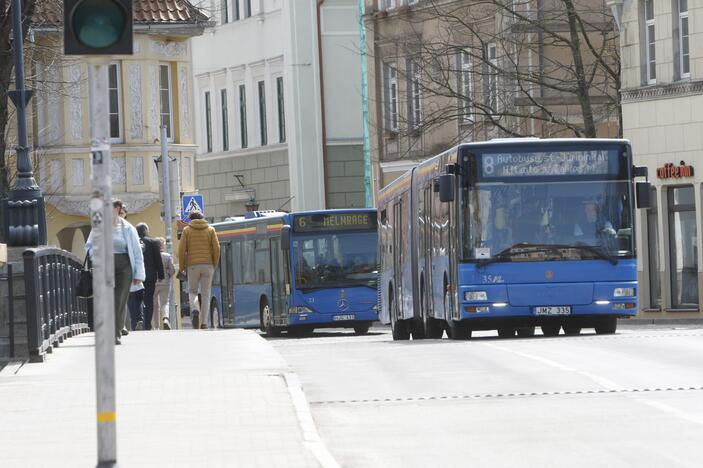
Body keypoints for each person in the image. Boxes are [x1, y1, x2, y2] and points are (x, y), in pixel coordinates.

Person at [86, 199, 145, 345]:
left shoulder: (128, 228)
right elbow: (89, 246)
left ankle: (116, 333)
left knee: (119, 300)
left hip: (124, 267)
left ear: (118, 209)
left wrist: (138, 274)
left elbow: (137, 252)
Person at [177, 211, 220, 329]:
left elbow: (181, 250)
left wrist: (181, 267)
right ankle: (204, 323)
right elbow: (217, 248)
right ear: (202, 218)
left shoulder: (187, 230)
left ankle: (195, 309)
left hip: (192, 266)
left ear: (191, 219)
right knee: (206, 294)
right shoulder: (211, 230)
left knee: (192, 291)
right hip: (208, 266)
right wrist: (214, 264)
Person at [134, 223, 165, 330]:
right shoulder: (153, 242)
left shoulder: (134, 242)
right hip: (150, 276)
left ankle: (138, 320)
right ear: (146, 230)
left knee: (137, 299)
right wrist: (161, 275)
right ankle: (147, 324)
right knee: (149, 300)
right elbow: (158, 260)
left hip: (136, 276)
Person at [153, 237, 176, 330]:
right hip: (165, 282)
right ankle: (165, 319)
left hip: (154, 283)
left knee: (155, 304)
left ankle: (156, 326)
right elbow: (172, 270)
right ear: (163, 246)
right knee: (165, 302)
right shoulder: (167, 256)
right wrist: (169, 275)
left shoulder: (152, 256)